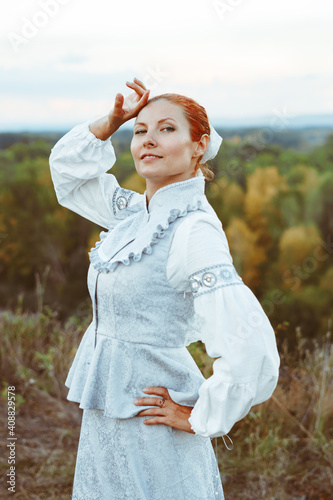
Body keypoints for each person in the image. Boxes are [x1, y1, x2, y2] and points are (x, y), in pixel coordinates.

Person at [49, 78, 280, 499]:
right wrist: (111, 122)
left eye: (167, 129)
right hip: (110, 413)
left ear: (199, 146)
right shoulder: (137, 215)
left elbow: (252, 348)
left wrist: (199, 416)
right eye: (140, 131)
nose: (148, 140)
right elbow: (68, 178)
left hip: (154, 421)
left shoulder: (193, 229)